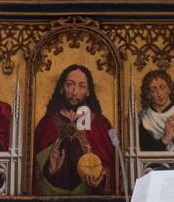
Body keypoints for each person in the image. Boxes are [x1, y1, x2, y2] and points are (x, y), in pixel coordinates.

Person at [33, 64, 114, 194]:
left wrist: (100, 178)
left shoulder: (100, 124)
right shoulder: (46, 124)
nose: (74, 92)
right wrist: (50, 170)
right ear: (61, 88)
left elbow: (110, 166)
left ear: (88, 91)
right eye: (70, 84)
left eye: (81, 86)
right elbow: (35, 170)